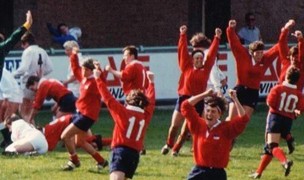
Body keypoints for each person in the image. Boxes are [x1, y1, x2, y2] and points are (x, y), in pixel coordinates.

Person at [161, 25, 222, 156]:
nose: (199, 60)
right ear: (192, 59)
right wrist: (182, 35)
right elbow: (182, 51)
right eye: (196, 58)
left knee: (186, 129)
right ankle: (168, 144)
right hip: (184, 98)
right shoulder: (187, 67)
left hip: (198, 101)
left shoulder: (206, 70)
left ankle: (175, 150)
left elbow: (211, 55)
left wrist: (217, 38)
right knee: (174, 125)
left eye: (201, 58)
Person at [93, 62, 155, 180]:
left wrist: (97, 79)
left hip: (121, 151)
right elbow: (151, 102)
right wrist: (151, 83)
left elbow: (108, 98)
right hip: (135, 155)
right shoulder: (145, 115)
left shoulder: (123, 112)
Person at [249, 66, 304, 179]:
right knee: (269, 149)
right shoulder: (298, 94)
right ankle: (258, 172)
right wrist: (294, 112)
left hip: (275, 118)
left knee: (272, 146)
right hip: (288, 121)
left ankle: (285, 162)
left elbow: (270, 102)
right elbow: (300, 108)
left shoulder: (278, 89)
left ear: (286, 75)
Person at [181, 88, 249, 180]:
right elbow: (185, 106)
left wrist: (235, 99)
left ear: (219, 114)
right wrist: (205, 94)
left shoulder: (226, 128)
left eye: (213, 111)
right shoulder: (198, 125)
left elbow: (243, 119)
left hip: (217, 173)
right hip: (199, 171)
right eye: (207, 111)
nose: (209, 114)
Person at [60, 47, 107, 172]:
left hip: (87, 116)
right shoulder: (84, 79)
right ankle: (102, 161)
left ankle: (74, 161)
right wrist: (74, 54)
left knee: (65, 136)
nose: (83, 71)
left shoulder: (95, 82)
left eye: (86, 69)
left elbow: (102, 82)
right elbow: (75, 69)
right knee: (80, 142)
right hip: (81, 113)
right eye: (83, 68)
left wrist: (100, 71)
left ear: (92, 71)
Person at [226, 20, 279, 121]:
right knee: (231, 119)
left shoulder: (265, 59)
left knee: (243, 121)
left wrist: (285, 30)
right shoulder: (243, 56)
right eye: (257, 53)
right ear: (251, 52)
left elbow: (277, 48)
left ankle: (233, 137)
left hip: (253, 93)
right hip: (240, 89)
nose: (259, 55)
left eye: (261, 52)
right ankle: (220, 135)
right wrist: (231, 29)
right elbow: (234, 44)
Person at [13, 32, 53, 122]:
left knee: (23, 110)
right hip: (37, 83)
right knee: (29, 111)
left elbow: (23, 69)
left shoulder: (28, 51)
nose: (22, 47)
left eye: (22, 44)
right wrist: (39, 75)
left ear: (26, 43)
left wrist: (11, 75)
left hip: (28, 83)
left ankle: (30, 131)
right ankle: (33, 129)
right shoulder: (42, 50)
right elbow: (50, 68)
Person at [42, 114, 111, 151]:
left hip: (75, 121)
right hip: (75, 119)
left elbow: (49, 148)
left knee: (80, 143)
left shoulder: (48, 132)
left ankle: (95, 139)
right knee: (86, 143)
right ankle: (104, 141)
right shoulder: (48, 128)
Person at [0, 10, 32, 81]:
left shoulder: (1, 48)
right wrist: (27, 25)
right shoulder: (2, 48)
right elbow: (13, 38)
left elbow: (13, 38)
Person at [0, 69, 23, 148]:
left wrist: (6, 99)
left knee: (6, 119)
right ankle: (8, 139)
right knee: (4, 119)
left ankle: (9, 140)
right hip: (7, 96)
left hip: (11, 97)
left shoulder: (1, 70)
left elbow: (7, 85)